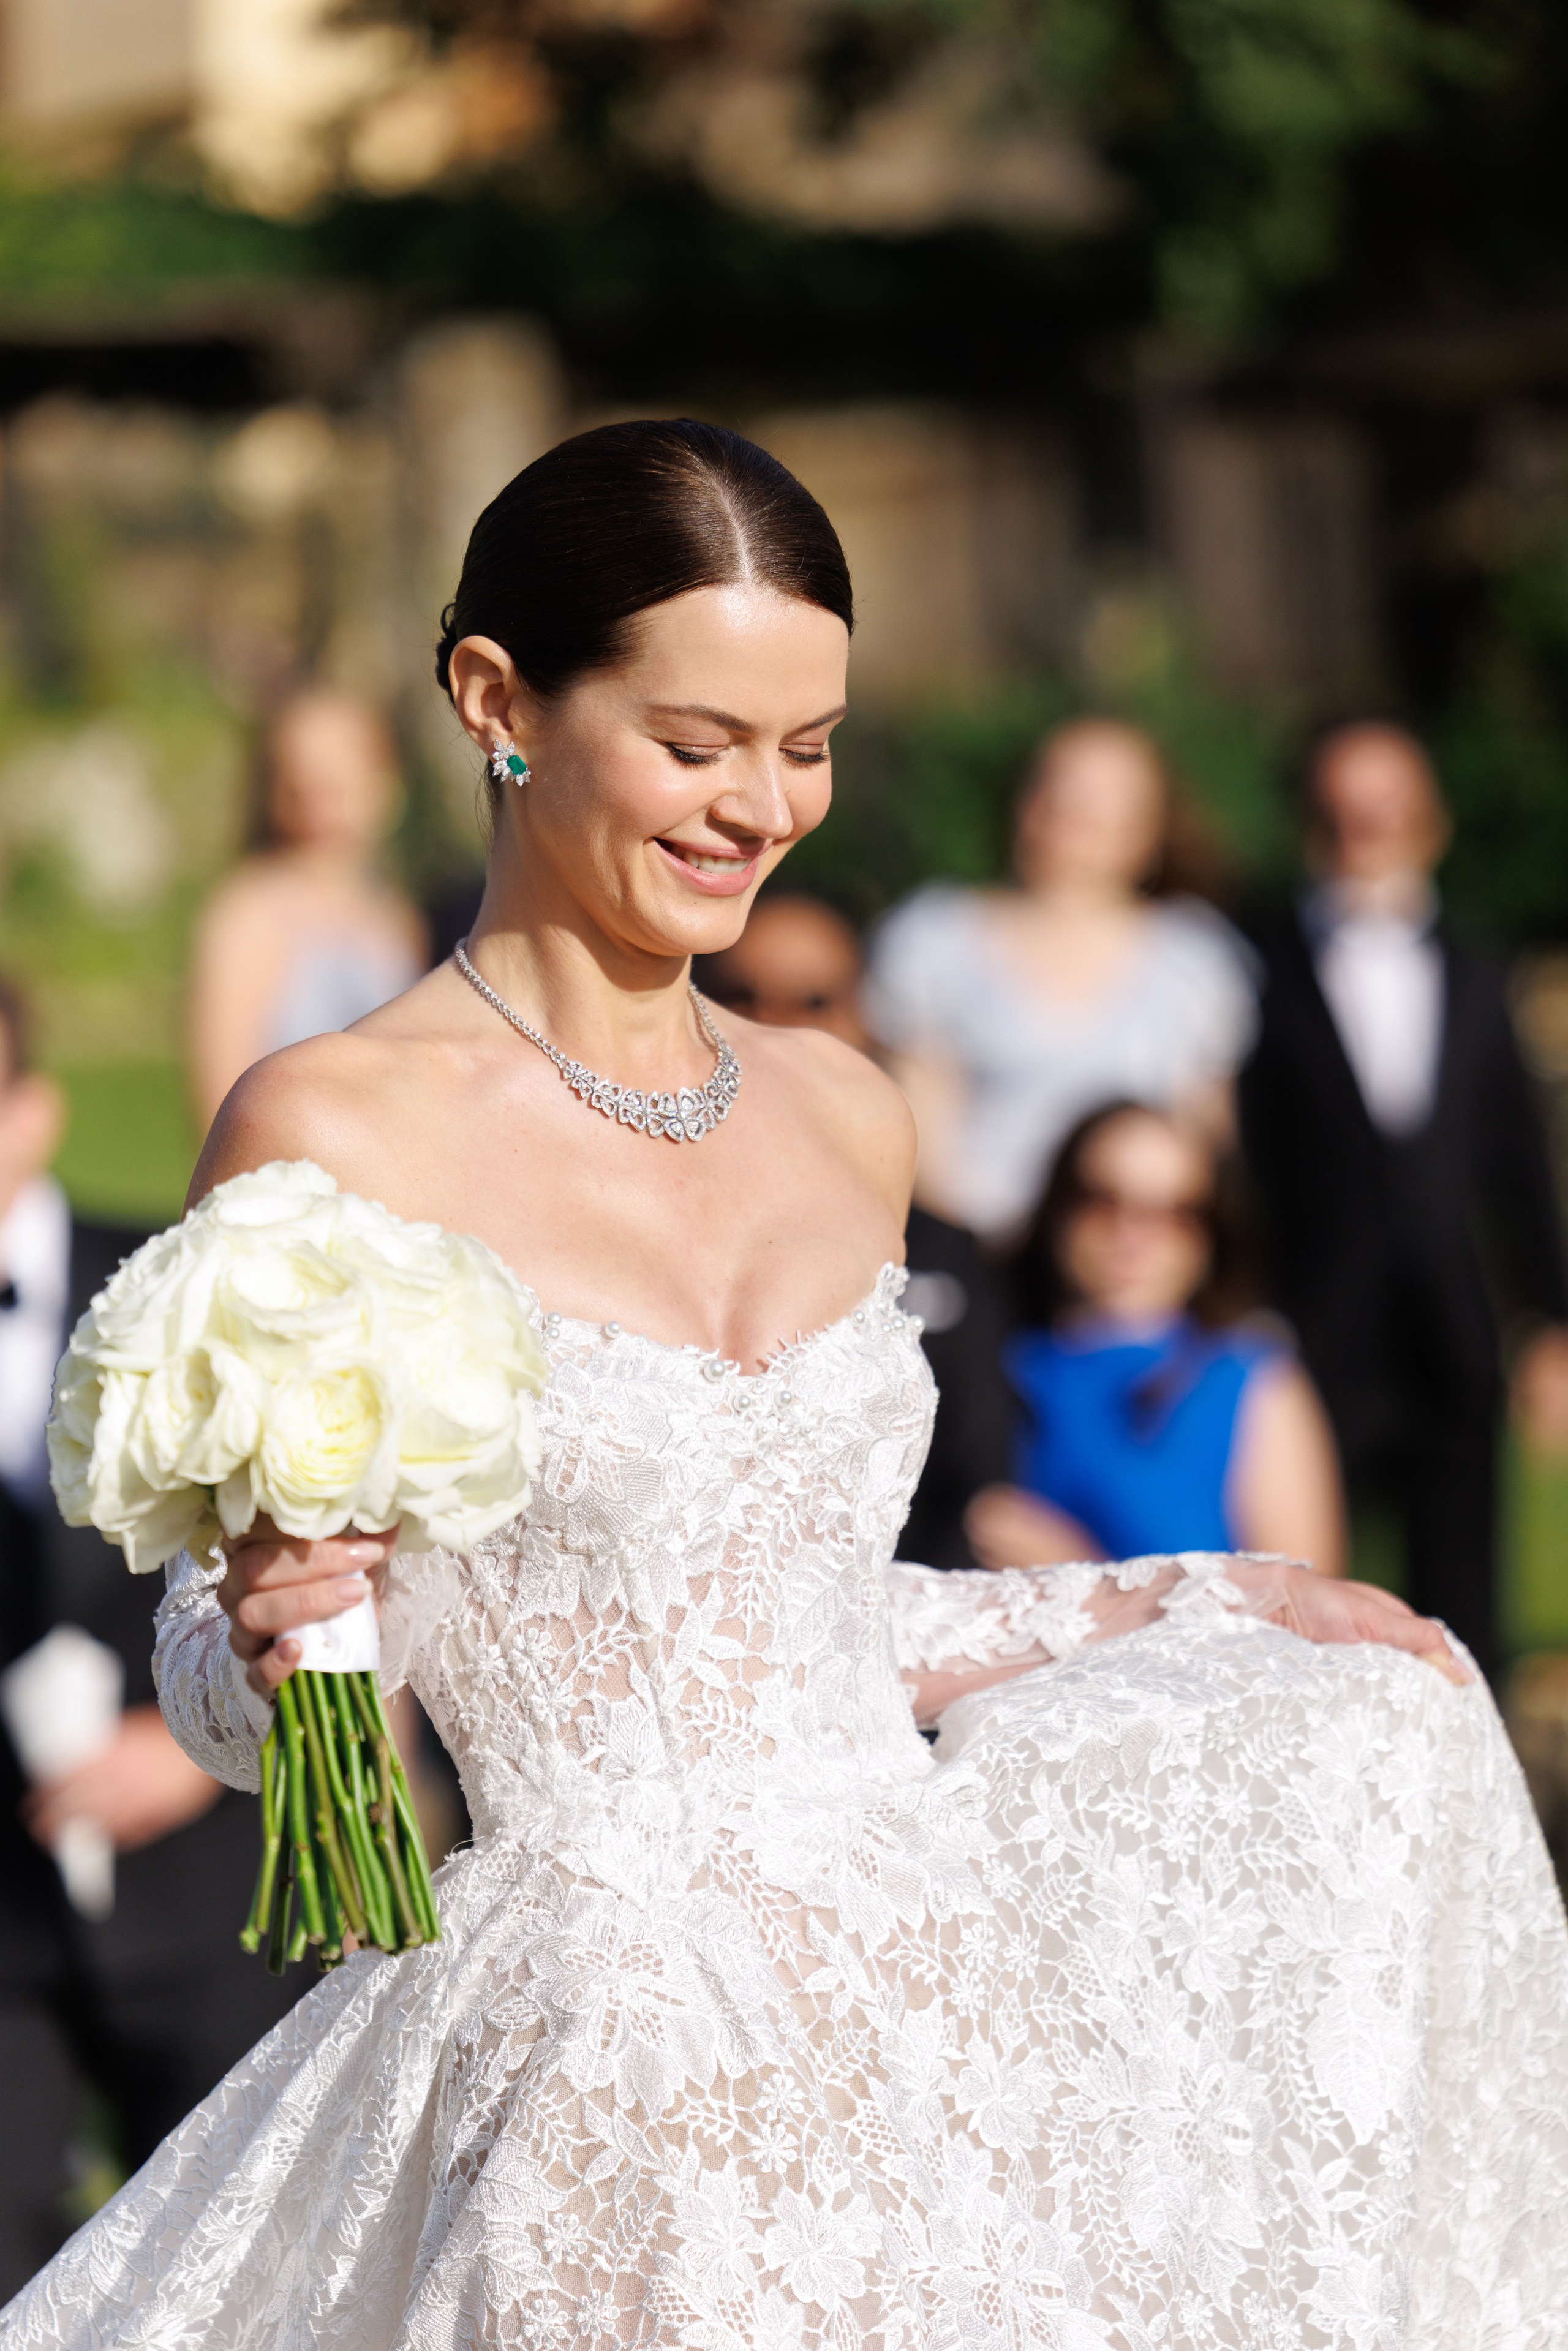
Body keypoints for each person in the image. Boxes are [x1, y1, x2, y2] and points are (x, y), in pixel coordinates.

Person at [7, 421, 1567, 2348]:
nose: (762, 805)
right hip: (606, 2064)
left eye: (807, 743)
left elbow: (804, 1632)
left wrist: (1215, 1598)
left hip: (930, 2019)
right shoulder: (331, 1126)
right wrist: (265, 1635)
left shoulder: (847, 1109)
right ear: (499, 701)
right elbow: (241, 1687)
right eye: (695, 741)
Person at [0, 983, 300, 2299]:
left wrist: (199, 1733)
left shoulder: (167, 1279)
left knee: (244, 2265)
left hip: (208, 1870)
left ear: (34, 1107)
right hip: (2, 1903)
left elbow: (303, 1525)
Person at [1239, 720, 1568, 1680]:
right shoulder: (1259, 963)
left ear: (1430, 823)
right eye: (1344, 808)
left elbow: (1516, 1158)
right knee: (1300, 1591)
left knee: (1466, 1597)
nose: (1366, 828)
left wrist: (1551, 1319)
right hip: (1308, 1328)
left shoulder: (1477, 968)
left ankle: (1474, 1801)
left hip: (1453, 1330)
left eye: (1388, 807)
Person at [699, 892, 1014, 1566]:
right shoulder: (638, 1217)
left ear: (864, 1019)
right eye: (737, 993)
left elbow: (982, 1472)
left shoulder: (935, 1245)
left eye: (811, 1001)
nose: (771, 1023)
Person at [863, 715, 1257, 1241]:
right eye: (1058, 786)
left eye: (1105, 798)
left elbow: (1204, 1139)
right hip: (977, 1256)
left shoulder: (1198, 959)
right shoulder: (934, 939)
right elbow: (915, 1135)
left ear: (1151, 825)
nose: (1075, 813)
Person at [965, 1100, 1346, 1578]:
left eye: (1176, 1213)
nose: (1133, 1234)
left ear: (1213, 1231)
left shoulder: (1252, 1378)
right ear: (1059, 1204)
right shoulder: (997, 1357)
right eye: (1103, 1200)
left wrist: (1083, 1577)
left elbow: (1305, 1608)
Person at [187, 687, 428, 1126]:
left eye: (339, 767)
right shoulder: (250, 912)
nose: (317, 789)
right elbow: (219, 1113)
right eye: (300, 769)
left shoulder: (394, 915)